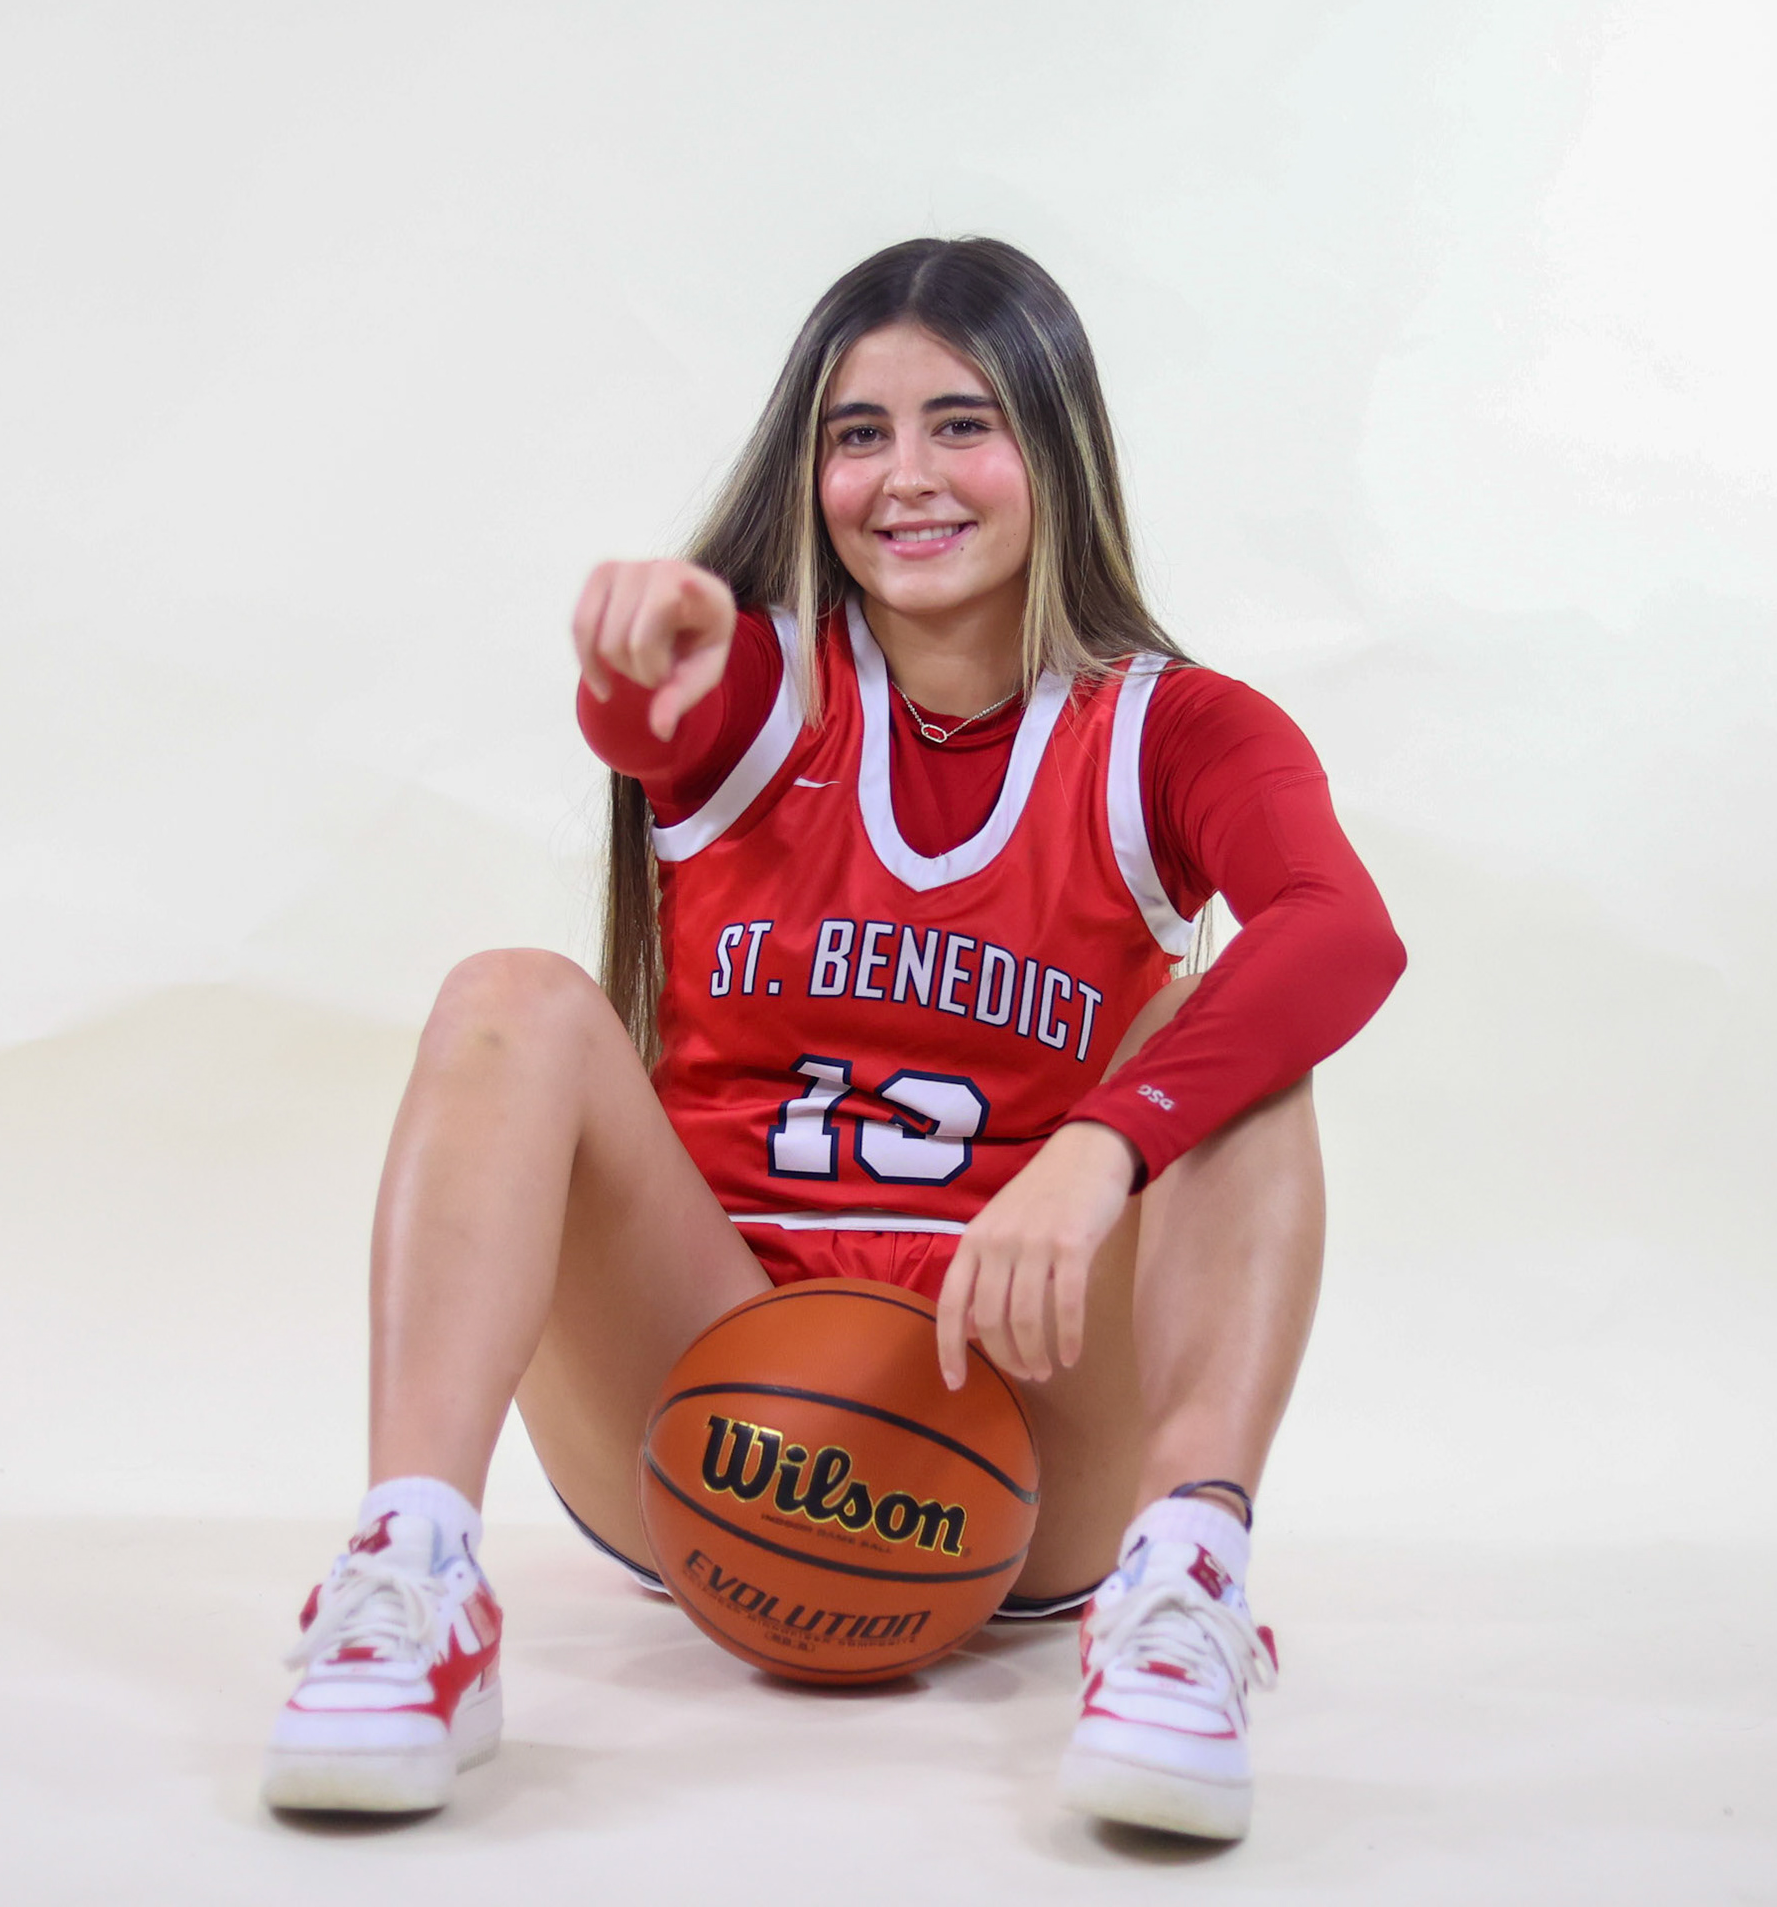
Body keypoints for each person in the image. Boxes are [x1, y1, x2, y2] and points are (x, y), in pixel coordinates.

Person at [261, 237, 1405, 1840]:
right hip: (702, 1376)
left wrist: (1098, 1145)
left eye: (962, 421)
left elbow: (1345, 930)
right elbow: (648, 712)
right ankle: (411, 1574)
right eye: (856, 433)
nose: (905, 475)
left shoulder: (1178, 729)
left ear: (1056, 448)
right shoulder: (763, 693)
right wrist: (638, 642)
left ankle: (1179, 1585)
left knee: (1238, 1035)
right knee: (509, 993)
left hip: (1021, 1403)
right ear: (807, 469)